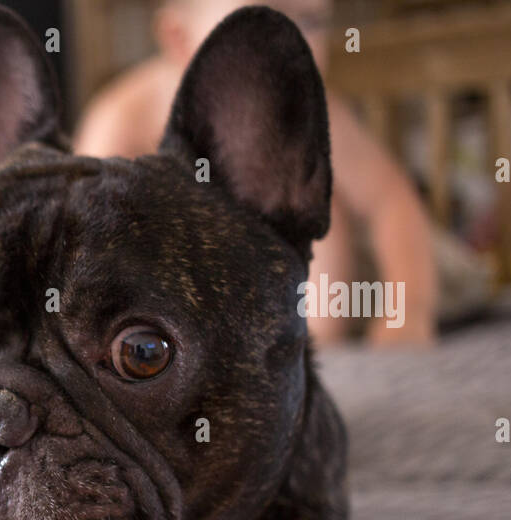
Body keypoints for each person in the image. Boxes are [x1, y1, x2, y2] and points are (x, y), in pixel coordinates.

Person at [75, 0, 438, 346]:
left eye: (310, 20)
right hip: (188, 298)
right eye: (258, 24)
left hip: (348, 283)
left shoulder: (313, 113)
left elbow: (390, 201)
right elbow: (86, 238)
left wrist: (407, 314)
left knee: (327, 210)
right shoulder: (124, 119)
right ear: (179, 38)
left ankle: (315, 350)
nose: (294, 45)